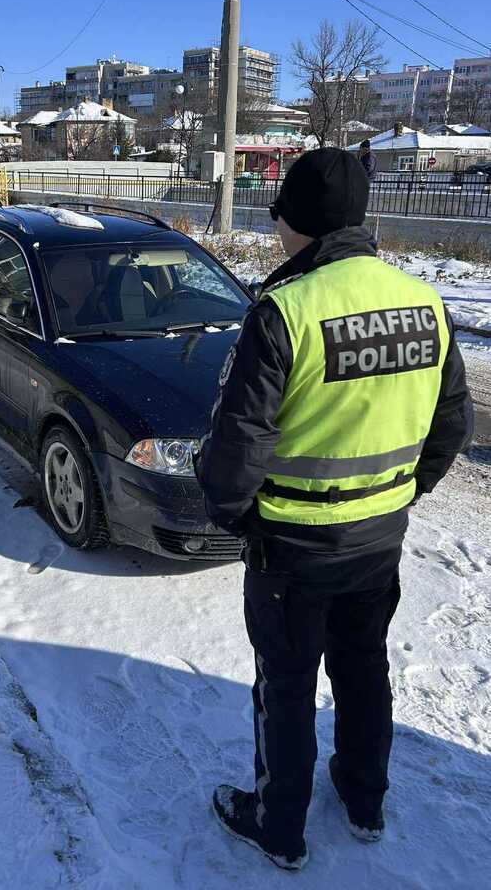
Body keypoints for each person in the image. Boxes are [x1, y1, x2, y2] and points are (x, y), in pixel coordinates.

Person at [195, 148, 473, 871]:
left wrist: (235, 517)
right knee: (363, 670)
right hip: (377, 542)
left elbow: (236, 448)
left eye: (281, 217)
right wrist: (399, 495)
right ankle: (364, 800)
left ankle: (278, 826)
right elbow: (452, 428)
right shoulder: (425, 303)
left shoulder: (285, 311)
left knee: (285, 687)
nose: (276, 230)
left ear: (304, 227)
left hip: (293, 547)